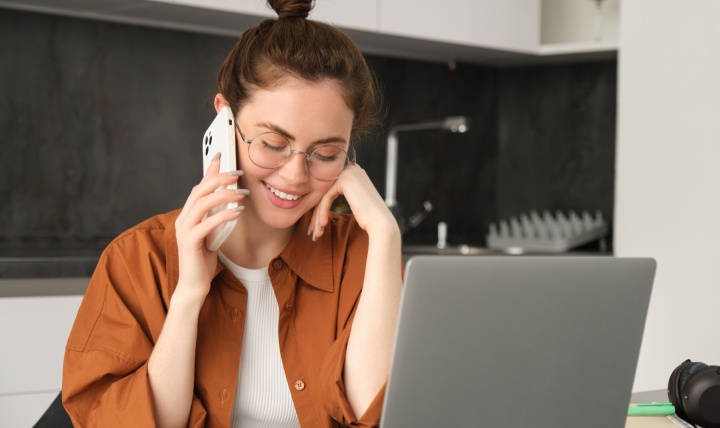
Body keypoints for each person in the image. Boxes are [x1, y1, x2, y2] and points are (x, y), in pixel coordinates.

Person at [61, 0, 403, 426]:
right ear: (224, 123)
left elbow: (383, 415)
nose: (296, 174)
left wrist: (386, 237)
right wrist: (188, 295)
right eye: (273, 144)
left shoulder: (362, 255)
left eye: (327, 153)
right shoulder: (136, 261)